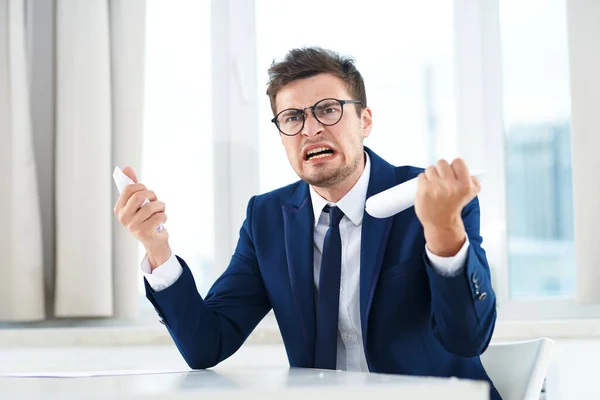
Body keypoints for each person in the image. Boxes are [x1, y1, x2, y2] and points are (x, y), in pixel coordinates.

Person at [114, 47, 500, 399]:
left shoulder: (434, 199)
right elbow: (205, 345)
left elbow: (467, 339)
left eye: (328, 110)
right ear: (281, 136)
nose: (311, 128)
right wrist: (156, 247)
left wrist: (442, 232)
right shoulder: (266, 218)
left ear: (364, 121)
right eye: (293, 117)